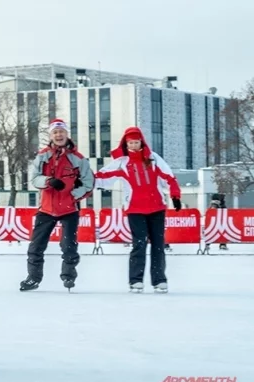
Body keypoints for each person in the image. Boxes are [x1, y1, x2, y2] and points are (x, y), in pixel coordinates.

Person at [94, 127, 181, 293]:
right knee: (139, 244)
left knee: (158, 245)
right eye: (130, 143)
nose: (134, 145)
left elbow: (169, 176)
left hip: (156, 207)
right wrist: (84, 180)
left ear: (141, 142)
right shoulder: (122, 162)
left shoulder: (153, 158)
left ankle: (159, 280)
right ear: (126, 144)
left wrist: (175, 196)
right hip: (135, 209)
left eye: (136, 142)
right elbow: (102, 177)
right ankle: (135, 280)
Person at [21, 119, 94, 292]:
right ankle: (33, 278)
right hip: (46, 208)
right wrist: (48, 181)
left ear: (67, 134)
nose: (58, 135)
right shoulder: (42, 156)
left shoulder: (78, 159)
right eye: (55, 132)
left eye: (61, 132)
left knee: (68, 245)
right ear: (51, 135)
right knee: (36, 245)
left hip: (69, 209)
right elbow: (34, 179)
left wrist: (73, 194)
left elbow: (89, 183)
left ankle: (68, 276)